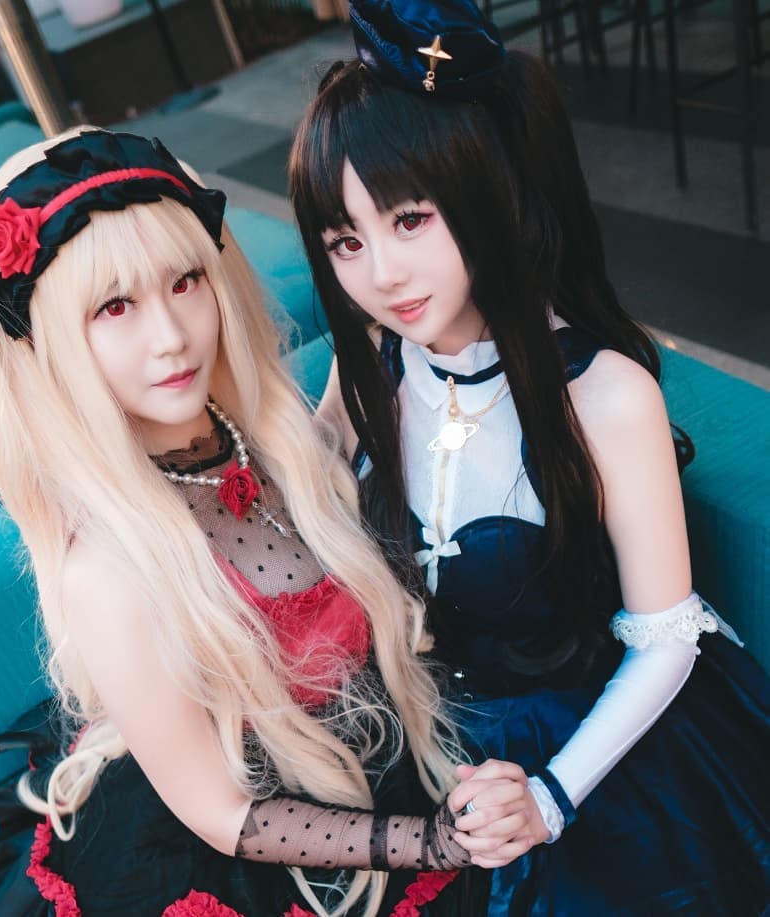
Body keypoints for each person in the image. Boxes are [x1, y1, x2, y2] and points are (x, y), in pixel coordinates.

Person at [0, 127, 539, 917]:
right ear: (49, 340)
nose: (171, 337)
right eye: (115, 306)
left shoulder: (276, 440)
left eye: (185, 281)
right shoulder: (105, 569)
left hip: (380, 753)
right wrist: (433, 841)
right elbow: (221, 812)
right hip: (249, 839)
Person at [288, 1, 770, 913]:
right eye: (346, 241)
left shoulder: (605, 393)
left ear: (486, 194)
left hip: (594, 751)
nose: (380, 275)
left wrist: (548, 801)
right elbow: (299, 506)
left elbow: (667, 638)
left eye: (408, 219)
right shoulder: (370, 365)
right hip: (430, 739)